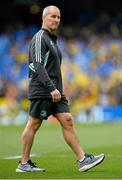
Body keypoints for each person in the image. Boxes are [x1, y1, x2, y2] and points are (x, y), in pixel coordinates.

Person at [16, 5, 105, 172]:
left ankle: (83, 159)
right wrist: (51, 88)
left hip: (55, 91)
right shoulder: (40, 37)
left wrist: (58, 89)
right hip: (43, 90)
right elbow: (36, 65)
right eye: (53, 16)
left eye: (58, 17)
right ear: (44, 18)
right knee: (34, 124)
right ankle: (23, 163)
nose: (56, 19)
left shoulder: (51, 39)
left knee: (68, 120)